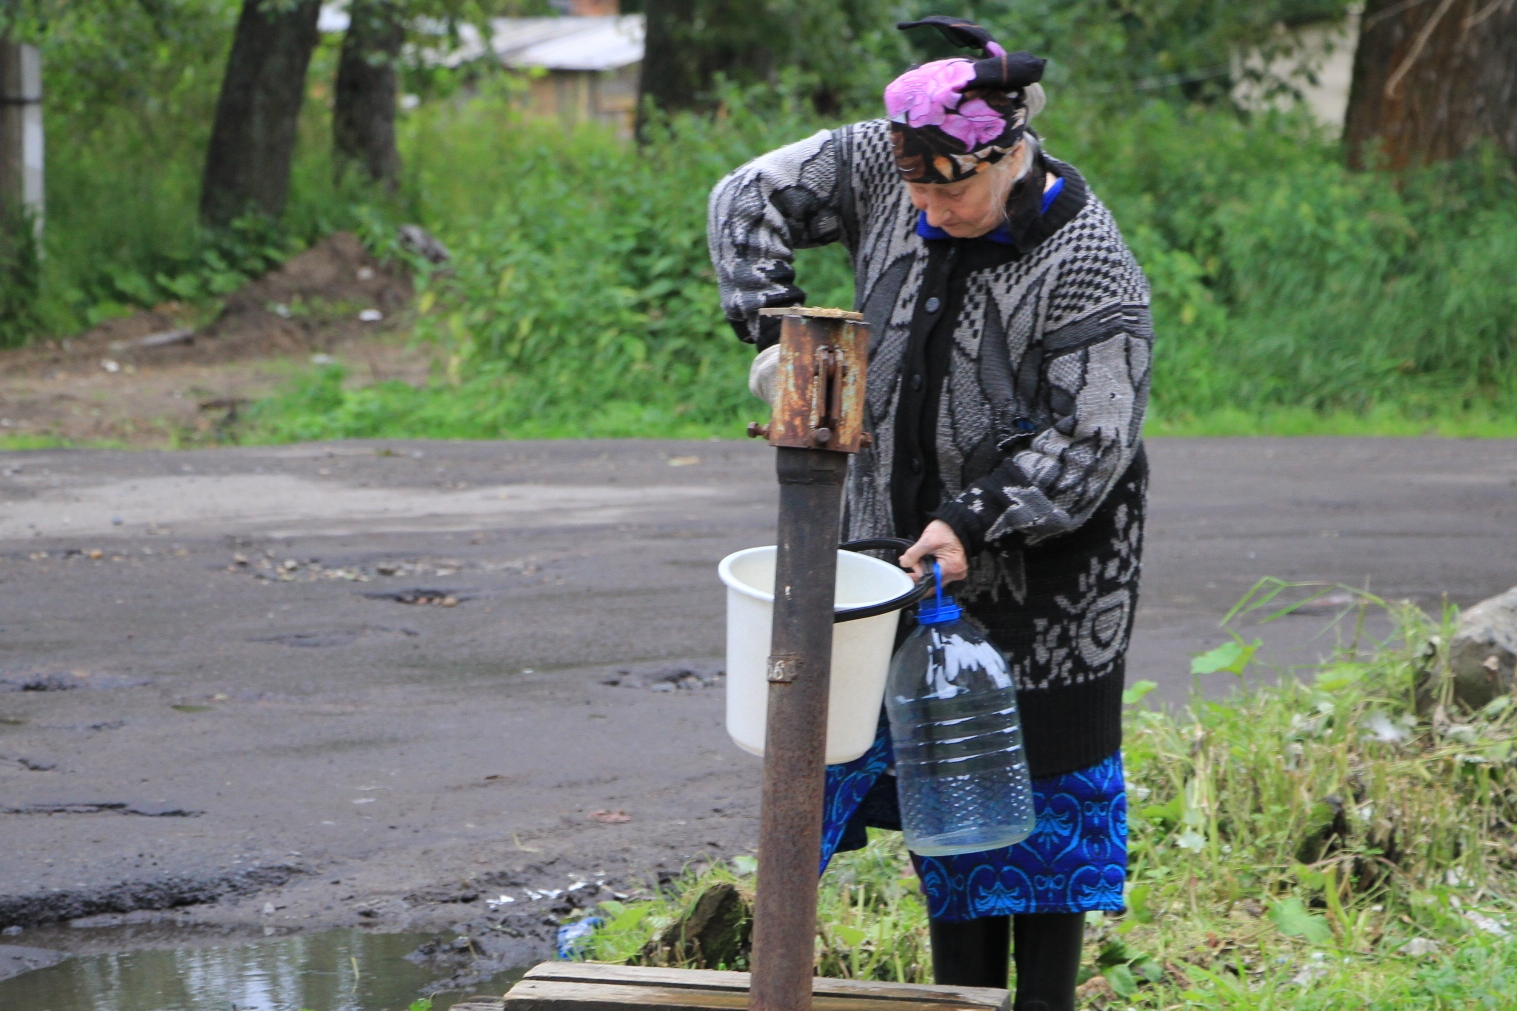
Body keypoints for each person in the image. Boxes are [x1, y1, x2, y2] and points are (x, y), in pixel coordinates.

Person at [708, 15, 1151, 1011]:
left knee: (1035, 802)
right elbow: (744, 197)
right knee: (934, 784)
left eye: (951, 186)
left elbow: (1095, 435)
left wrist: (975, 520)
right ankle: (960, 998)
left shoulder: (1085, 258)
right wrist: (783, 323)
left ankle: (1041, 1002)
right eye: (916, 185)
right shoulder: (883, 160)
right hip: (895, 548)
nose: (928, 204)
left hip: (1049, 575)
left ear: (1009, 150)